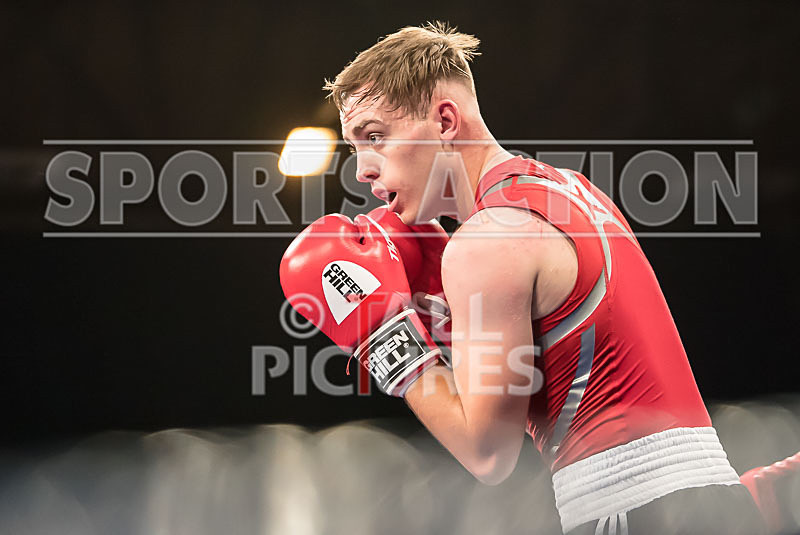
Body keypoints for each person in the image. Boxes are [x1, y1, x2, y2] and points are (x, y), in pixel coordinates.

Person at [281, 22, 792, 534]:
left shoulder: (485, 244)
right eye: (355, 149)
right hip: (705, 500)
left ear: (443, 120)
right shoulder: (575, 192)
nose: (363, 169)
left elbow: (488, 454)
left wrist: (387, 338)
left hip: (634, 514)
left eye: (375, 136)